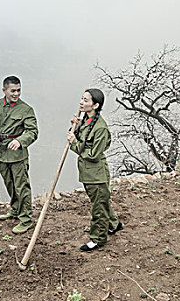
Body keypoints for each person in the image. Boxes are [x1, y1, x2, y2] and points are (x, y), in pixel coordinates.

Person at [67, 88, 123, 251]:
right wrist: (76, 128)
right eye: (81, 99)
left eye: (86, 100)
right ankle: (114, 225)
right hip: (87, 172)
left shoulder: (100, 128)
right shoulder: (86, 120)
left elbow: (92, 154)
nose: (81, 103)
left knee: (98, 207)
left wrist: (73, 143)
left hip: (96, 175)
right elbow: (82, 141)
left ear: (96, 105)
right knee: (100, 201)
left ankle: (98, 239)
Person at [0, 76, 39, 234]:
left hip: (17, 155)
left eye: (19, 90)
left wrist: (20, 141)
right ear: (4, 90)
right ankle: (15, 210)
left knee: (22, 186)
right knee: (9, 184)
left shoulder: (26, 109)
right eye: (13, 91)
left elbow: (32, 131)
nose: (16, 94)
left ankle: (26, 219)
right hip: (0, 152)